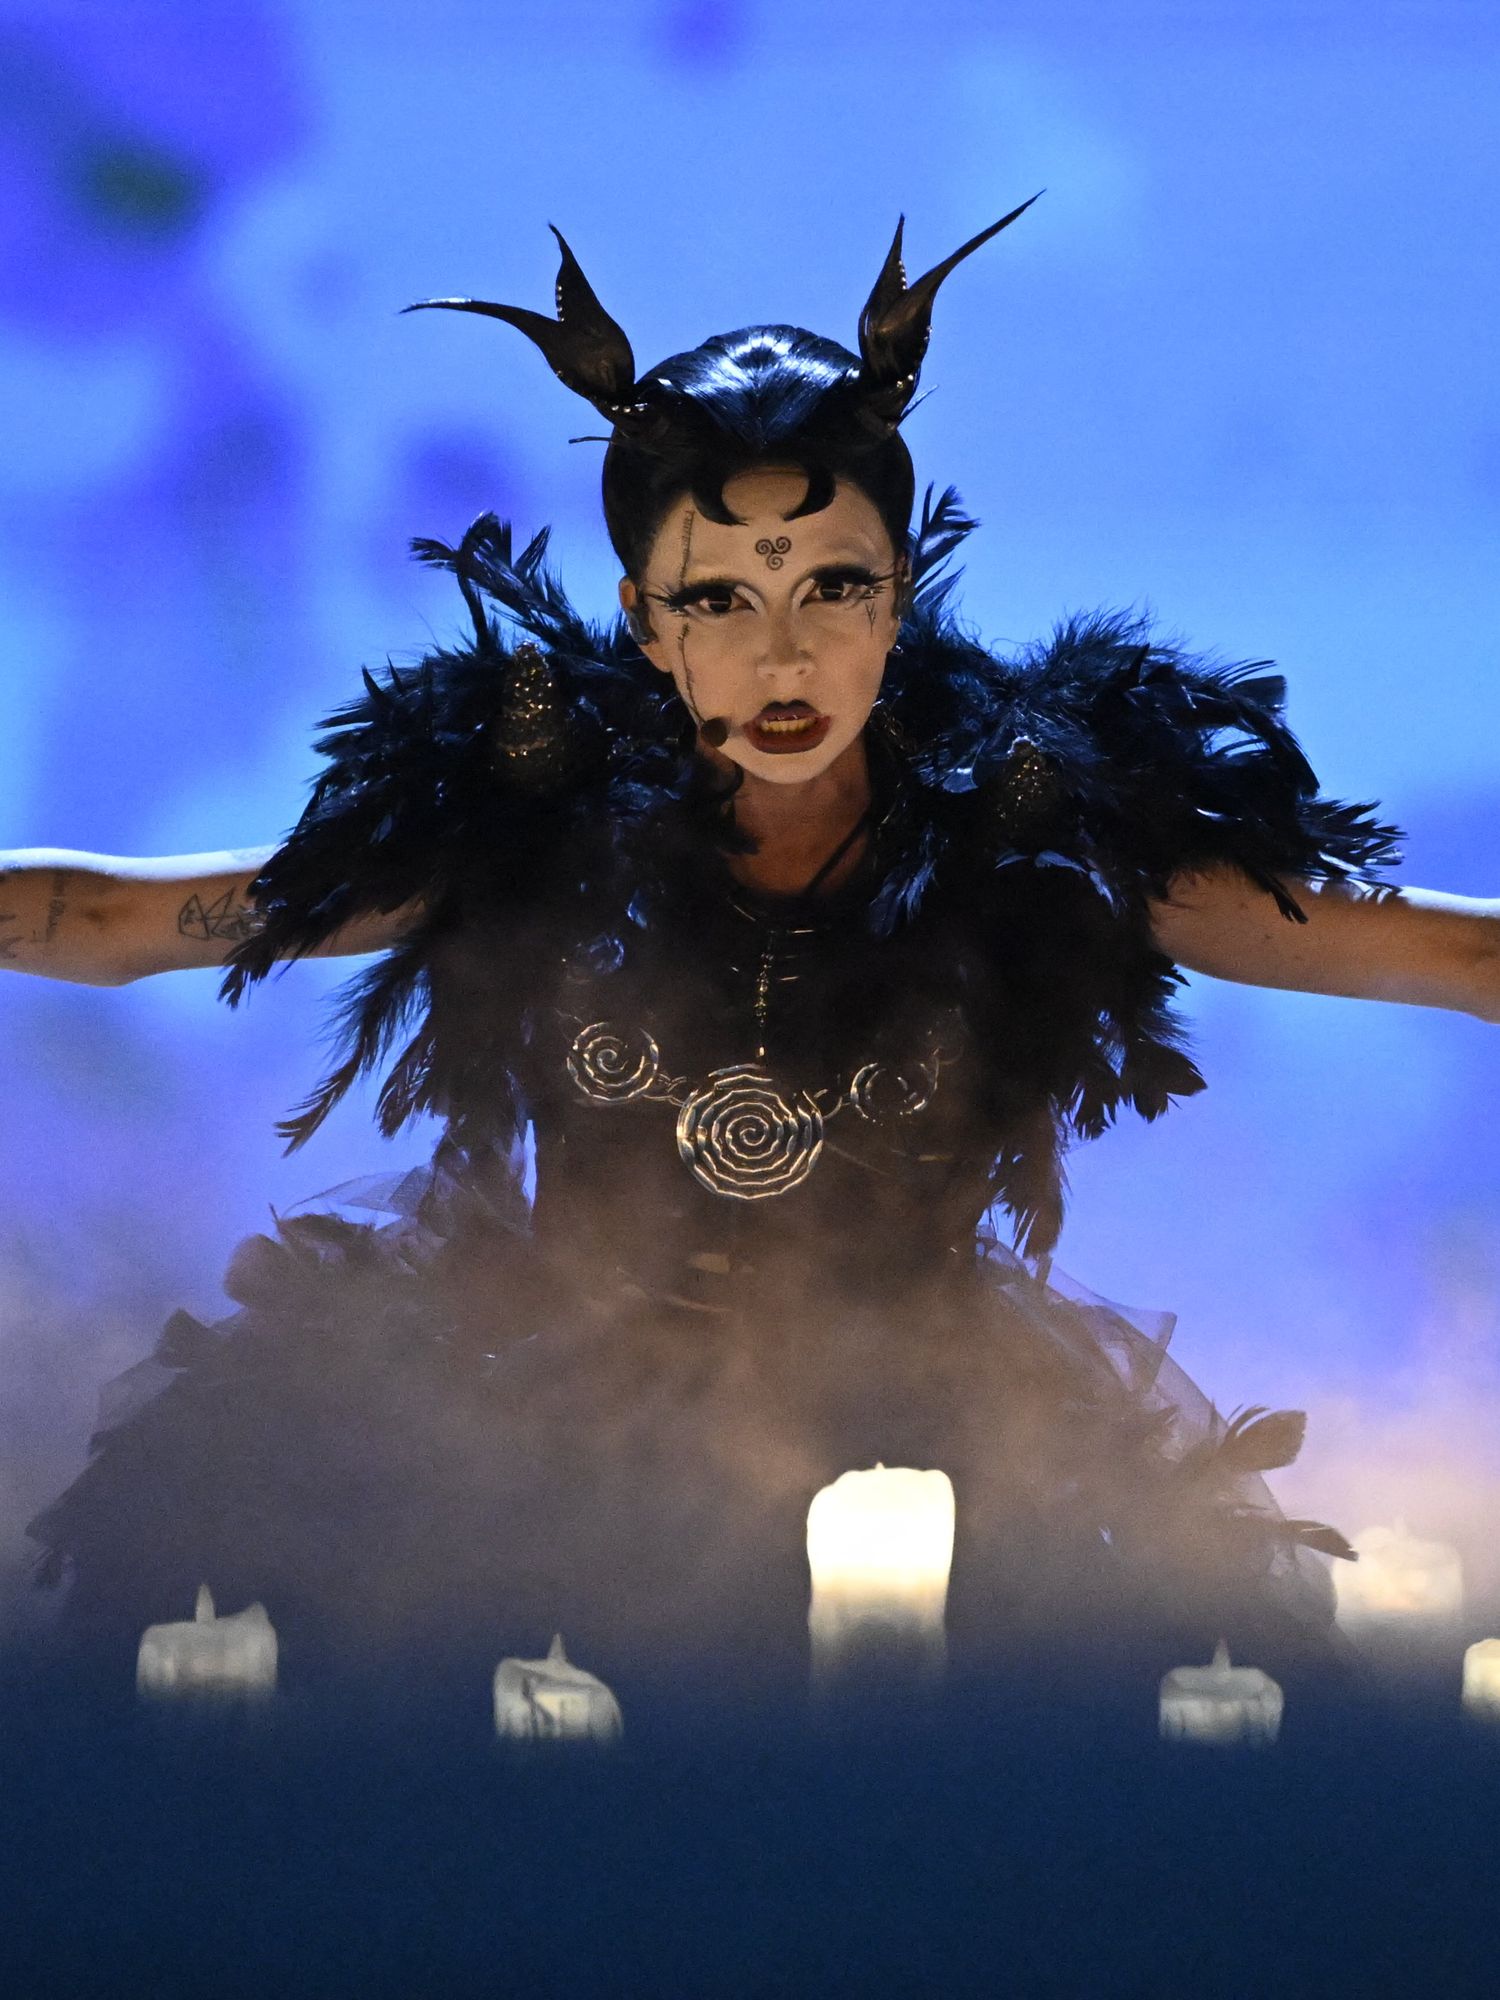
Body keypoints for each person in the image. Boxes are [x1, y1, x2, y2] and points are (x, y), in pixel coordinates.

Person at [8, 208, 1497, 1693]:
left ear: (898, 600)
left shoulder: (1034, 837)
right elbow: (121, 923)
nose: (783, 658)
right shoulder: (521, 827)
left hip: (936, 1416)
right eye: (720, 599)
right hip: (561, 1408)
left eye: (831, 589)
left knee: (1031, 1735)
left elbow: (1440, 956)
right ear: (644, 623)